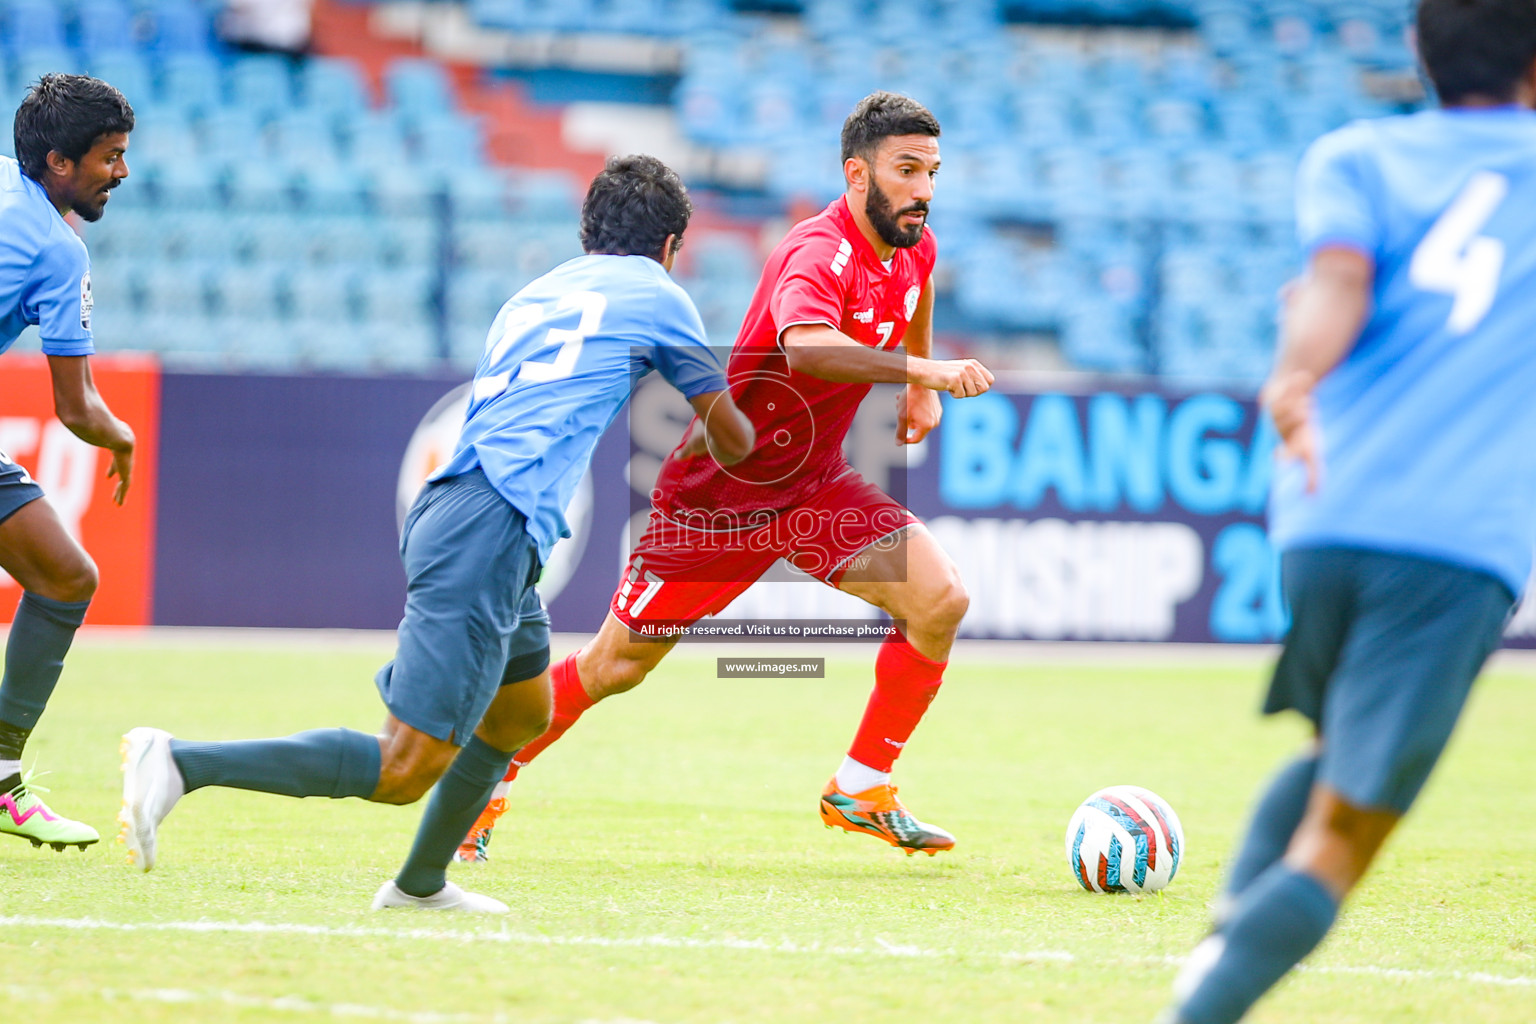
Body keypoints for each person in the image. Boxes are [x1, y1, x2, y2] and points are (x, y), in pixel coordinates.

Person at [118, 154, 755, 912]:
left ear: (589, 233)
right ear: (673, 244)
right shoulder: (661, 296)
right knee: (403, 768)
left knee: (522, 713)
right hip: (492, 523)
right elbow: (736, 440)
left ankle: (422, 883)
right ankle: (182, 761)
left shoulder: (534, 294)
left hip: (468, 510)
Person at [459, 91, 994, 864]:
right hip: (719, 498)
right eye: (906, 170)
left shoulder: (916, 244)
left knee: (940, 599)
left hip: (812, 489)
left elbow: (919, 288)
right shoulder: (815, 253)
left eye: (932, 172)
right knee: (615, 666)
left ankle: (862, 784)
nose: (924, 190)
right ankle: (484, 780)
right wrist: (928, 371)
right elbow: (807, 346)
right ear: (856, 174)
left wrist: (914, 387)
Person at [1158, 1, 1536, 1019]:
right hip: (1456, 543)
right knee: (1343, 840)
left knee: (1330, 750)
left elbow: (1336, 282)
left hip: (1324, 512)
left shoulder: (1356, 153)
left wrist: (1291, 380)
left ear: (1419, 52)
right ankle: (1207, 992)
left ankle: (1222, 942)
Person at [0, 74, 137, 853]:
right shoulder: (57, 249)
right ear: (58, 162)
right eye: (110, 158)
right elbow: (77, 409)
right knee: (66, 579)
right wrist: (121, 437)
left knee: (64, 574)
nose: (120, 173)